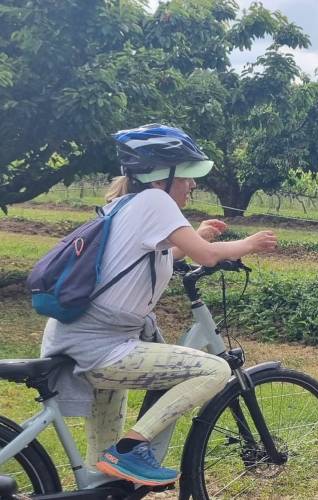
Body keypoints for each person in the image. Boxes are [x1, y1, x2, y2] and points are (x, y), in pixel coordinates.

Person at [40, 124, 277, 486]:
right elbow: (207, 257)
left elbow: (163, 253)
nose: (192, 185)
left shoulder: (126, 203)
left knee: (103, 475)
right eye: (186, 176)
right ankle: (132, 447)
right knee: (215, 370)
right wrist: (249, 243)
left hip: (82, 338)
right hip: (102, 347)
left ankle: (105, 478)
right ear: (161, 177)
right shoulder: (155, 201)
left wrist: (195, 237)